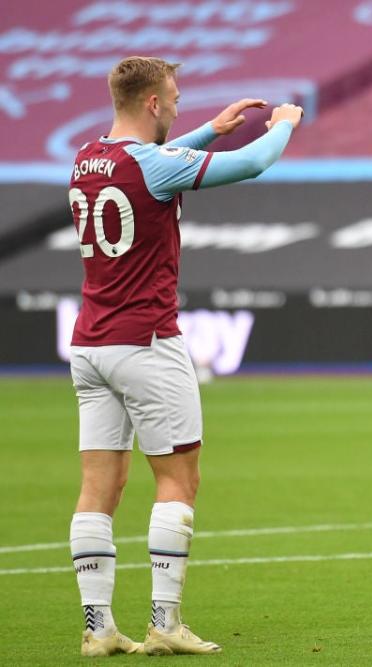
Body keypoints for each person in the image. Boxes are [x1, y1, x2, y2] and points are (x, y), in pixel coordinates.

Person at [66, 56, 303, 657]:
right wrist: (284, 123)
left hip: (90, 344)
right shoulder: (150, 163)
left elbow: (152, 163)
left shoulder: (88, 155)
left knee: (98, 488)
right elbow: (253, 164)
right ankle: (165, 623)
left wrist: (211, 130)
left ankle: (98, 630)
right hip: (147, 341)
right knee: (178, 480)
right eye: (172, 97)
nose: (176, 105)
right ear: (151, 103)